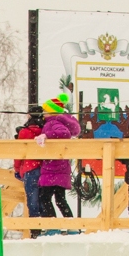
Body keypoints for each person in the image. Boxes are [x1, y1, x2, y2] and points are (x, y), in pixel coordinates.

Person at [35, 95, 81, 232]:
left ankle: (52, 226)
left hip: (52, 168)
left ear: (51, 112)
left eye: (45, 110)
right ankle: (72, 227)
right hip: (60, 167)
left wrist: (46, 136)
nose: (43, 113)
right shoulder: (55, 121)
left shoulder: (52, 122)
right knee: (60, 200)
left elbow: (64, 133)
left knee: (44, 197)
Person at [14, 104, 45, 226]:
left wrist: (17, 169)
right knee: (44, 200)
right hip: (44, 169)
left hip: (30, 168)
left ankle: (35, 228)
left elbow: (19, 153)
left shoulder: (24, 132)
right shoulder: (45, 132)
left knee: (32, 201)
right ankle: (47, 226)